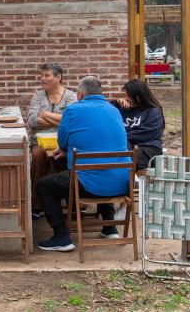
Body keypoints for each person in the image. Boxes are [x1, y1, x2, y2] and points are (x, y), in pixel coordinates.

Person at [36, 76, 129, 252]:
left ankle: (61, 237)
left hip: (89, 185)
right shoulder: (114, 110)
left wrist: (65, 149)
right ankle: (110, 227)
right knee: (103, 165)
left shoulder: (73, 110)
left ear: (79, 94)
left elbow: (62, 142)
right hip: (122, 182)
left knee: (44, 185)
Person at [26, 63, 77, 218]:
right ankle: (37, 206)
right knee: (38, 156)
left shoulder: (71, 96)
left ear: (58, 77)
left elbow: (72, 121)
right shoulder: (38, 96)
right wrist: (60, 120)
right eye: (42, 76)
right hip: (40, 142)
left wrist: (45, 114)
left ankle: (73, 205)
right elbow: (32, 120)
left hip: (63, 142)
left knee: (70, 157)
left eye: (46, 75)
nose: (42, 79)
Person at [111, 78, 165, 171]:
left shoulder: (153, 111)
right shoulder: (124, 108)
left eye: (129, 96)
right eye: (126, 95)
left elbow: (144, 134)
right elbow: (107, 114)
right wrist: (116, 103)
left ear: (139, 96)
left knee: (121, 157)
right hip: (127, 146)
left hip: (147, 148)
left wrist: (121, 136)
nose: (127, 98)